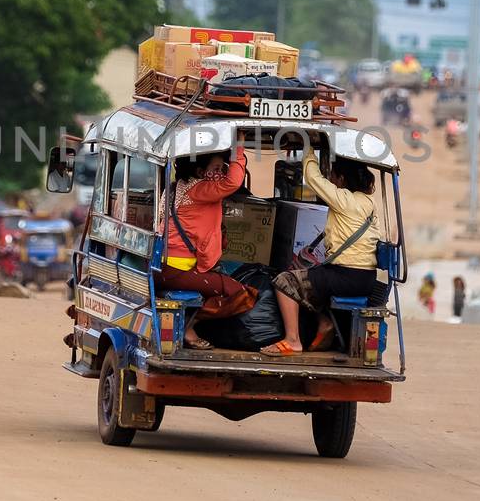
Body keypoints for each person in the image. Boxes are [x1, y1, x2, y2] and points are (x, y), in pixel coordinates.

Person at [265, 156, 381, 355]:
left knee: (285, 281)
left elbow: (313, 178)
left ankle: (293, 340)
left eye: (333, 177)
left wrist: (308, 148)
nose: (331, 181)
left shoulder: (345, 199)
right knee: (312, 277)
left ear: (342, 179)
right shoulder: (368, 203)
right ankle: (324, 322)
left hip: (347, 276)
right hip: (365, 278)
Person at [155, 148, 257, 349]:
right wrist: (239, 145)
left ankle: (187, 323)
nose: (221, 173)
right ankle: (185, 324)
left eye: (223, 168)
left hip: (167, 267)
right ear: (201, 172)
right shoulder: (198, 190)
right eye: (217, 169)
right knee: (239, 292)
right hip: (176, 270)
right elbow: (233, 182)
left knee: (216, 284)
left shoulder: (179, 186)